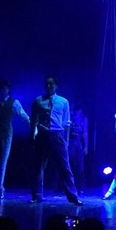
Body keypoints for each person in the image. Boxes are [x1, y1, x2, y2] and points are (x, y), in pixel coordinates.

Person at [29, 76, 82, 206]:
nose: (49, 86)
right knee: (38, 166)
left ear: (56, 86)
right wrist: (33, 136)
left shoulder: (63, 101)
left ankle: (73, 196)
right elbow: (34, 120)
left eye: (51, 84)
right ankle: (37, 195)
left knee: (65, 166)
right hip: (42, 134)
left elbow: (67, 122)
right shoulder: (38, 100)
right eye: (47, 84)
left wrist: (66, 140)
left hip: (57, 134)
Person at [68, 104, 89, 195]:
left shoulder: (83, 118)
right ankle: (67, 186)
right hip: (70, 143)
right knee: (68, 165)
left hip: (78, 143)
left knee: (80, 166)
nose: (77, 113)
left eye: (78, 111)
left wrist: (86, 146)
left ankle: (80, 187)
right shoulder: (70, 116)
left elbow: (85, 133)